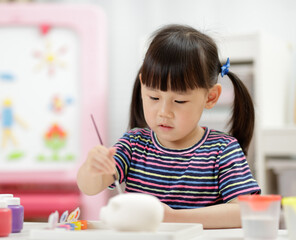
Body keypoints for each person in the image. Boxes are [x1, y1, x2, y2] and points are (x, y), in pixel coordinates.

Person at [77, 24, 260, 229]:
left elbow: (245, 210)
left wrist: (174, 217)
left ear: (211, 97)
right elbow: (90, 187)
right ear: (142, 86)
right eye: (154, 97)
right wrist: (92, 169)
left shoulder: (222, 150)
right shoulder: (133, 144)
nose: (163, 112)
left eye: (179, 101)